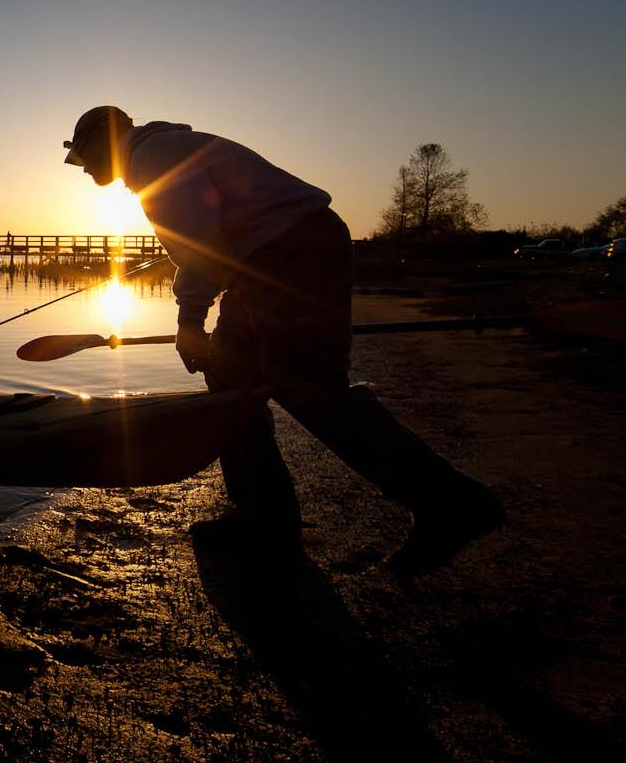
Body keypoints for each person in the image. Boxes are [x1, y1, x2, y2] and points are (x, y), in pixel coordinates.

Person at [62, 106, 503, 573]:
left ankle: (452, 503)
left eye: (83, 157)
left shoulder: (155, 157)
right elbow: (212, 245)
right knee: (230, 378)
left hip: (295, 255)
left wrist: (190, 320)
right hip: (263, 263)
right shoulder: (156, 156)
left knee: (308, 388)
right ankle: (263, 515)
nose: (85, 169)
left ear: (102, 141)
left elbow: (201, 246)